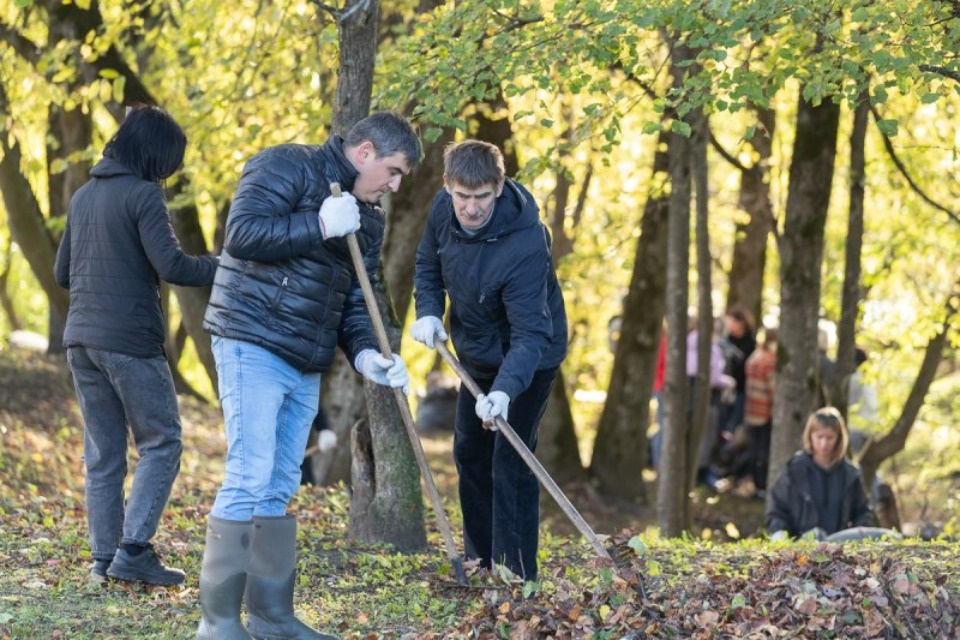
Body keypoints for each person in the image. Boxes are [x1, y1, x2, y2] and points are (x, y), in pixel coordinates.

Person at [197, 111, 421, 639]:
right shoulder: (284, 166)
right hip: (250, 340)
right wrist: (318, 224)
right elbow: (244, 235)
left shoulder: (369, 217)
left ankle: (272, 618)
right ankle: (218, 624)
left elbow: (354, 301)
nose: (392, 185)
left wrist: (368, 355)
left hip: (305, 358)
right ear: (363, 152)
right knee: (250, 474)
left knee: (278, 485)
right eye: (391, 171)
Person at [53, 105, 218, 586]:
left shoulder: (83, 196)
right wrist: (223, 264)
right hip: (130, 341)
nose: (168, 173)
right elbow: (174, 267)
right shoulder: (144, 195)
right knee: (161, 442)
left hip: (80, 341)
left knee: (104, 455)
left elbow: (62, 274)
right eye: (168, 161)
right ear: (153, 153)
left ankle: (103, 561)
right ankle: (134, 549)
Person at [410, 139, 567, 582]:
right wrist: (427, 310)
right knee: (469, 453)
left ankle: (516, 573)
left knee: (510, 460)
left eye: (481, 197)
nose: (471, 208)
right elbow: (427, 263)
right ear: (448, 187)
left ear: (499, 187)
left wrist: (503, 391)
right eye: (463, 196)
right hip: (475, 351)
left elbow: (531, 334)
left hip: (529, 358)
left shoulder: (526, 242)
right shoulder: (442, 209)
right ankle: (481, 565)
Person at [766, 407, 885, 541]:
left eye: (829, 438)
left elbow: (862, 512)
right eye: (819, 437)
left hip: (838, 545)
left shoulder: (850, 474)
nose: (824, 444)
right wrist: (780, 534)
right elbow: (777, 510)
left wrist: (855, 540)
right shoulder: (795, 470)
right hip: (800, 546)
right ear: (810, 436)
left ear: (838, 438)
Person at [743, 326, 777, 498]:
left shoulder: (755, 356)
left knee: (755, 448)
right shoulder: (770, 360)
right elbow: (773, 388)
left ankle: (757, 485)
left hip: (751, 409)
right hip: (764, 411)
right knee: (763, 450)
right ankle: (762, 485)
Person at [719, 305, 757, 438]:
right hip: (724, 388)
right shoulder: (725, 340)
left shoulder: (750, 342)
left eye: (733, 321)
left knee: (735, 421)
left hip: (740, 388)